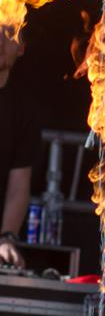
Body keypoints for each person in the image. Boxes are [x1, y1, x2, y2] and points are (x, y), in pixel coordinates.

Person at [0, 25, 40, 268]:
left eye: (9, 33)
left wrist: (6, 239)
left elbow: (19, 187)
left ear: (22, 48)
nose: (0, 41)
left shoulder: (24, 111)